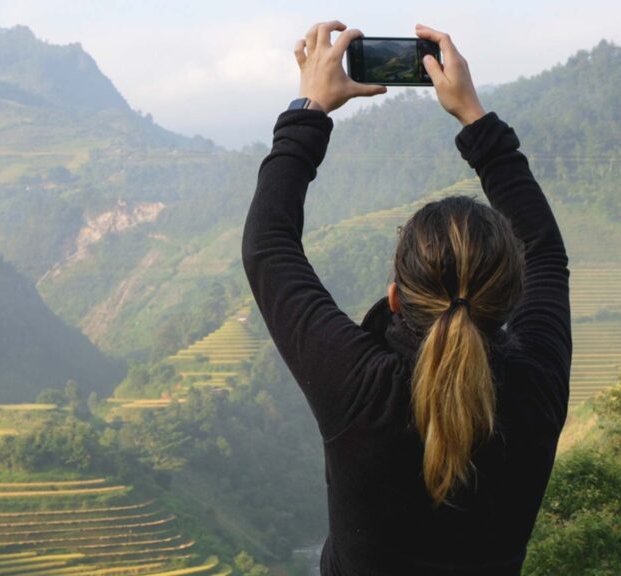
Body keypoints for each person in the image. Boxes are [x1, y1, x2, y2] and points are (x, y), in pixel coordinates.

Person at [241, 21, 571, 575]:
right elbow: (545, 251)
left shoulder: (362, 389)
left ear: (394, 299)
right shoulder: (534, 384)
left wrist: (311, 105)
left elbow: (268, 246)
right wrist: (474, 117)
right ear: (510, 298)